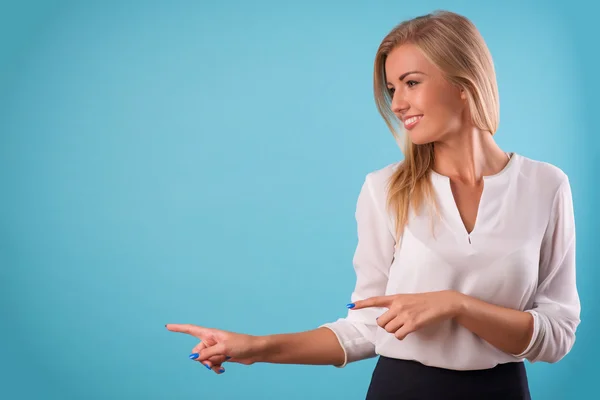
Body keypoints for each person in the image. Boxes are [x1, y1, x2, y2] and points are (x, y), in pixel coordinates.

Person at [166, 9, 581, 399]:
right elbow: (366, 329)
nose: (398, 103)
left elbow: (558, 335)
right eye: (391, 89)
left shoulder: (546, 185)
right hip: (402, 388)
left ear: (464, 82)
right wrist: (257, 347)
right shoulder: (385, 190)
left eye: (411, 82)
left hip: (502, 391)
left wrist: (457, 306)